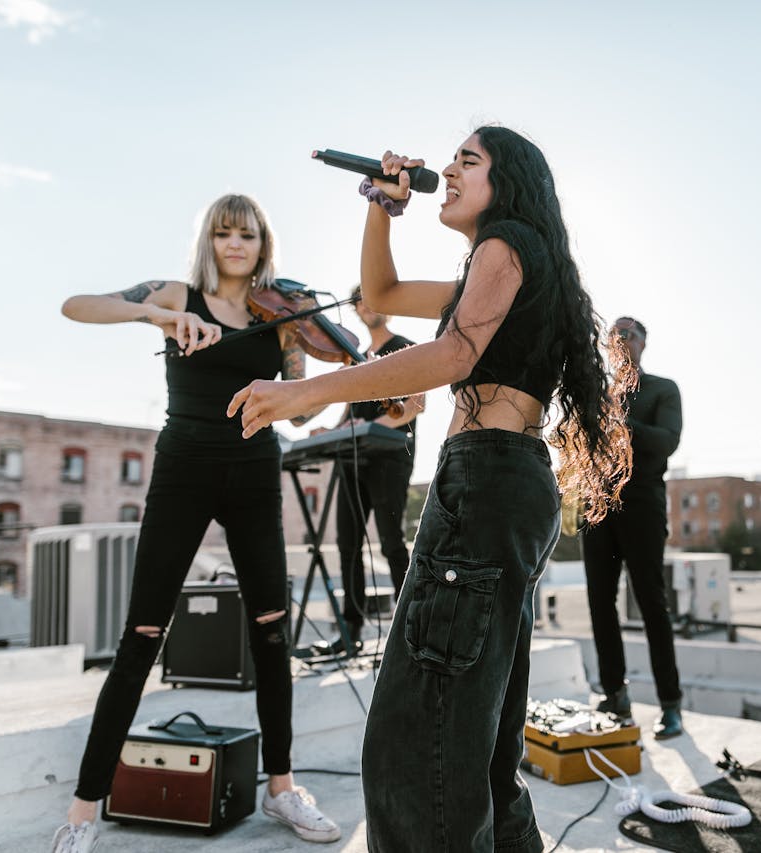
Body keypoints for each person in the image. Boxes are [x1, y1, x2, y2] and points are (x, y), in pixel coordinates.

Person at [228, 127, 633, 853]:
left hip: (484, 483)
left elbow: (452, 354)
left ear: (505, 182)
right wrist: (381, 206)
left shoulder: (502, 244)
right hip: (504, 484)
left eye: (466, 160)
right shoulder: (507, 266)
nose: (445, 169)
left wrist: (304, 393)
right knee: (479, 751)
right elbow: (377, 296)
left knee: (419, 749)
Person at [49, 194, 340, 853]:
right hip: (183, 467)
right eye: (224, 233)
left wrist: (312, 374)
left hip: (254, 469)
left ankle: (282, 787)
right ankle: (82, 809)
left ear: (264, 244)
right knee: (142, 632)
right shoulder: (177, 294)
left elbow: (293, 410)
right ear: (209, 240)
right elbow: (77, 305)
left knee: (272, 630)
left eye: (248, 235)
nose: (236, 245)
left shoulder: (283, 316)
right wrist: (156, 312)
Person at [580, 317, 685, 739]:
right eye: (615, 335)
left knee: (652, 605)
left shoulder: (663, 389)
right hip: (597, 507)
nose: (621, 341)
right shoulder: (597, 392)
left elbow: (666, 441)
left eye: (629, 335)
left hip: (642, 504)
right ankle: (614, 696)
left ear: (644, 343)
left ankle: (670, 705)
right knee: (599, 605)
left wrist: (620, 422)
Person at [318, 285, 424, 654]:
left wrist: (371, 428)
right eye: (359, 299)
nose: (366, 304)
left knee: (391, 539)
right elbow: (349, 411)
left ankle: (410, 625)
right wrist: (328, 432)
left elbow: (414, 406)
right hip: (353, 457)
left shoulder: (405, 345)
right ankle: (351, 630)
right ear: (356, 310)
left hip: (390, 457)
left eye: (371, 296)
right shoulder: (355, 356)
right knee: (347, 543)